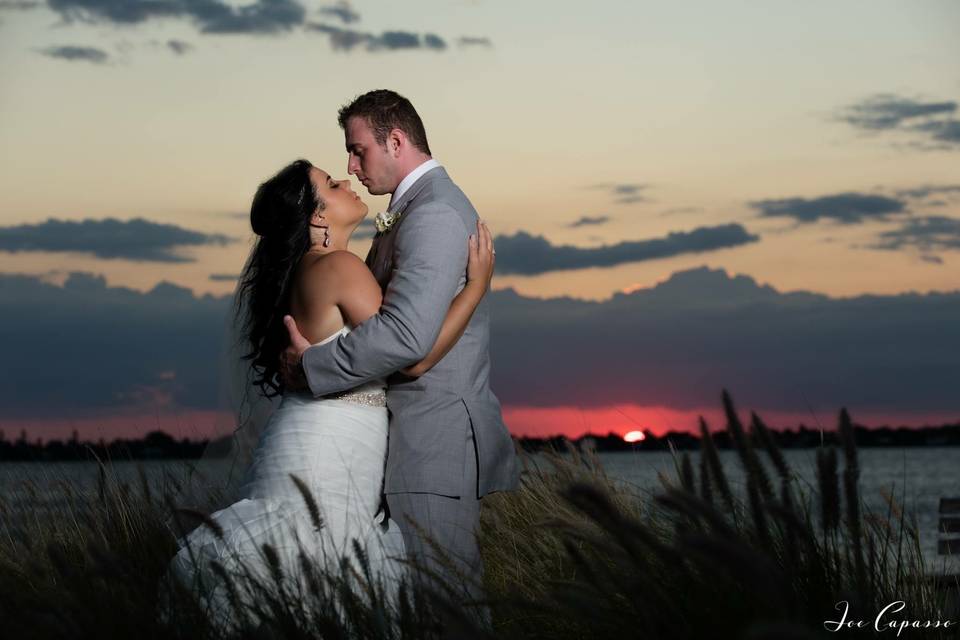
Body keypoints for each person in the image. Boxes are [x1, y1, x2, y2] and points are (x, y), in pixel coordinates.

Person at [167, 158, 496, 631]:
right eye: (331, 184)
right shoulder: (340, 267)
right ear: (318, 217)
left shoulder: (309, 270)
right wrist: (475, 288)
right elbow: (410, 354)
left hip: (308, 440)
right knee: (319, 570)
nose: (346, 180)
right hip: (327, 453)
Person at [279, 90, 520, 619]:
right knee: (425, 608)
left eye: (358, 150)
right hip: (413, 439)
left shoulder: (433, 213)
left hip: (434, 440)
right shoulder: (413, 210)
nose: (351, 165)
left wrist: (311, 366)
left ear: (396, 140)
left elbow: (408, 342)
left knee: (448, 608)